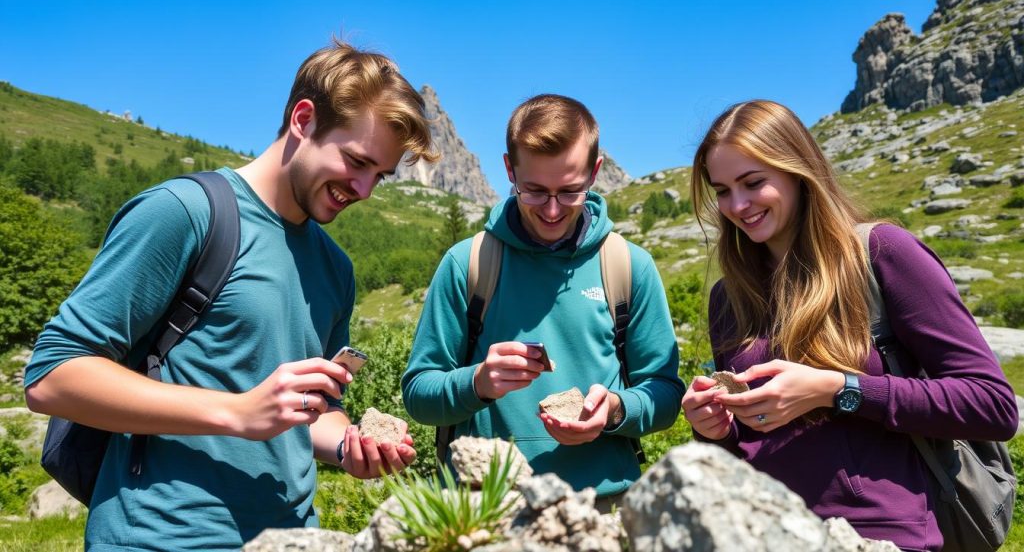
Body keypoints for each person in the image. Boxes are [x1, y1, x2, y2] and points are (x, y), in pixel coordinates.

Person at [24, 39, 438, 550]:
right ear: (303, 119)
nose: (365, 189)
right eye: (356, 161)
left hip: (290, 538)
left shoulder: (336, 269)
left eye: (380, 174)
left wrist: (348, 447)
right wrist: (238, 412)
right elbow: (52, 378)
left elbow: (313, 412)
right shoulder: (185, 212)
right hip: (159, 536)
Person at [681, 99, 1018, 551]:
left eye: (753, 182)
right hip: (764, 535)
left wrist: (839, 388)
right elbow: (748, 442)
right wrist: (716, 428)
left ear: (798, 171)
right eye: (721, 191)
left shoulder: (883, 253)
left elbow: (992, 405)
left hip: (886, 537)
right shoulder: (728, 297)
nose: (737, 205)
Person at [402, 94, 685, 505]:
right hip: (484, 510)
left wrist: (616, 410)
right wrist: (477, 382)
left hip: (602, 507)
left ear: (595, 172)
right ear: (509, 170)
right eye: (534, 191)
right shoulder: (468, 264)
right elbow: (419, 393)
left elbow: (664, 393)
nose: (552, 210)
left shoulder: (627, 266)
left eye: (570, 191)